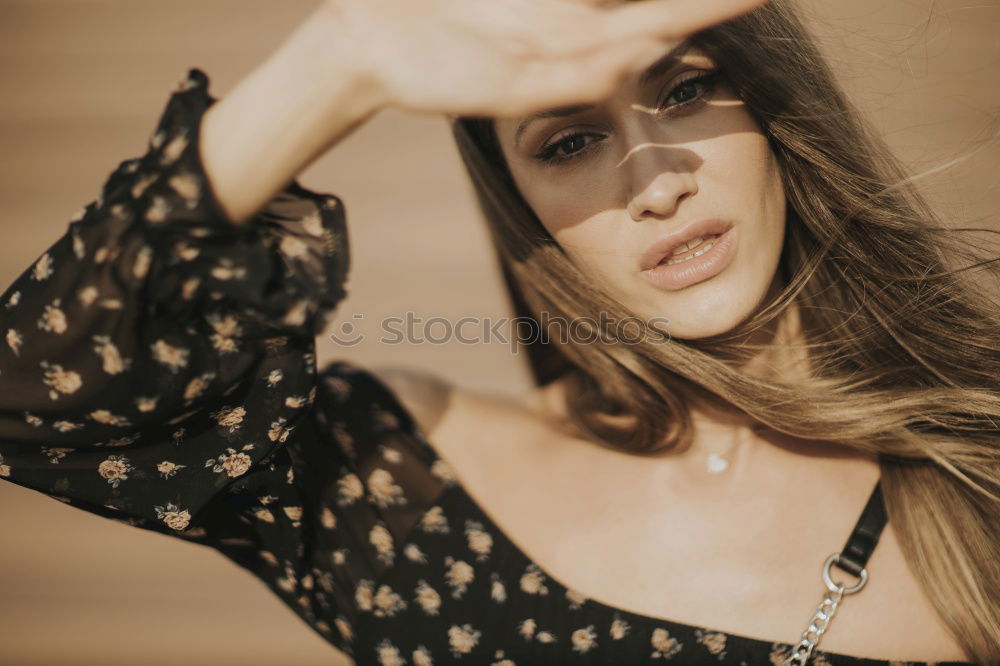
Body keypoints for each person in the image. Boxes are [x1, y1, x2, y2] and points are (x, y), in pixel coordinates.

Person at [0, 0, 995, 663]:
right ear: (517, 197)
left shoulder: (975, 457)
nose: (653, 180)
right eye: (568, 142)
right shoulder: (401, 481)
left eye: (685, 91)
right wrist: (338, 62)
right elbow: (36, 402)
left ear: (777, 115)